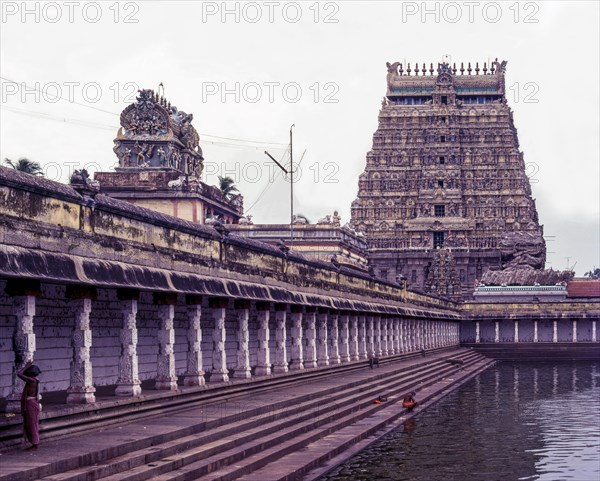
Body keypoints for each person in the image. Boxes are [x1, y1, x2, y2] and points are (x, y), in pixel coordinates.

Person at [17, 360, 42, 450]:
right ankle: (34, 443)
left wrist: (26, 366)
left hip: (31, 404)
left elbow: (19, 374)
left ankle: (35, 444)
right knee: (30, 424)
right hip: (32, 403)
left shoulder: (32, 381)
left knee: (32, 424)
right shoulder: (33, 380)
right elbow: (22, 374)